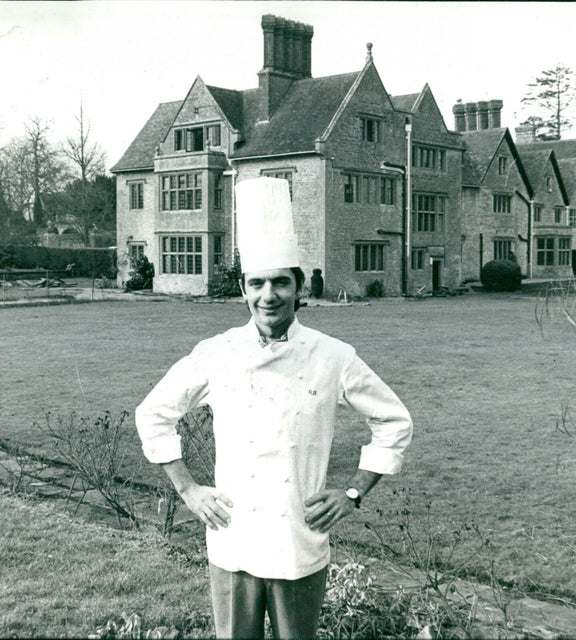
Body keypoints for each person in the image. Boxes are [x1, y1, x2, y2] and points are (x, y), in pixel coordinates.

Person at [135, 177, 413, 639]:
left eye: (281, 282)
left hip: (298, 540)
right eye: (257, 283)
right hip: (233, 536)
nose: (269, 295)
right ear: (244, 289)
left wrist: (352, 493)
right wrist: (188, 490)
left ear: (299, 287)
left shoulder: (333, 355)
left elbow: (393, 420)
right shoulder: (215, 352)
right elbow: (153, 414)